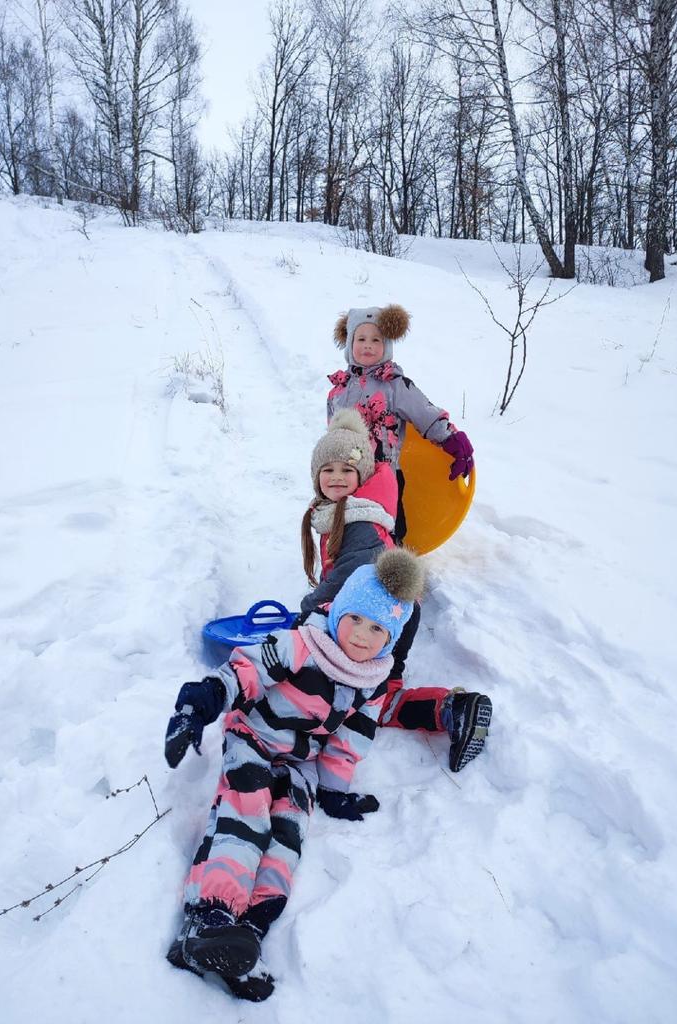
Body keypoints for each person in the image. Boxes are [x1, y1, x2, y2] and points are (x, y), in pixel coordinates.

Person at [164, 548, 425, 1002]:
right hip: (254, 740)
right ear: (340, 609)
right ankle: (210, 918)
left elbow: (351, 739)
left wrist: (335, 790)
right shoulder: (301, 644)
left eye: (378, 628)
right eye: (356, 620)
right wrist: (201, 701)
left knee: (286, 841)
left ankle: (242, 941)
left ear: (391, 637)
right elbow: (245, 669)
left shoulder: (373, 679)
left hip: (300, 765)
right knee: (247, 819)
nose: (362, 637)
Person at [300, 408, 492, 775]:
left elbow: (346, 577)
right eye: (328, 470)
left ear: (363, 474)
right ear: (316, 476)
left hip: (385, 614)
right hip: (389, 608)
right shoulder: (347, 508)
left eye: (346, 471)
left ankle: (455, 710)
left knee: (360, 696)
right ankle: (452, 709)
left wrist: (306, 613)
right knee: (379, 690)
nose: (337, 478)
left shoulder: (359, 520)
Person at [326, 304, 474, 540]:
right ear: (349, 343)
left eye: (376, 340)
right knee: (345, 529)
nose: (368, 345)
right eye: (361, 338)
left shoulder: (395, 385)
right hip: (346, 476)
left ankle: (390, 567)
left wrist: (453, 439)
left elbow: (425, 413)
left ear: (387, 346)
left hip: (386, 475)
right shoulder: (338, 391)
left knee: (388, 529)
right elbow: (331, 437)